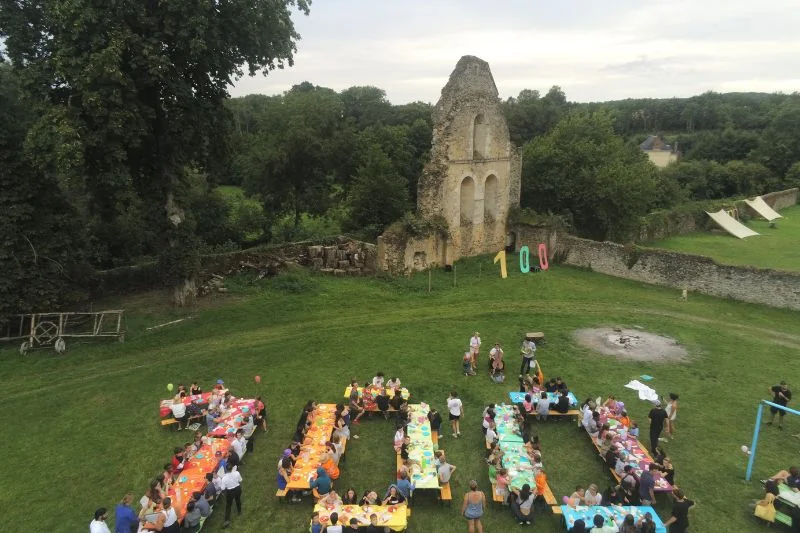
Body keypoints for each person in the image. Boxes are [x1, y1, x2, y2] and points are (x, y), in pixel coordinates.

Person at [221, 463, 243, 528]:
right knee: (238, 500)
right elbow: (240, 480)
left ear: (226, 469)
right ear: (232, 468)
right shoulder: (237, 473)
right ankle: (239, 512)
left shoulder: (224, 478)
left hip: (230, 492)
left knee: (228, 505)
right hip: (238, 489)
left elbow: (222, 488)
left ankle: (226, 520)